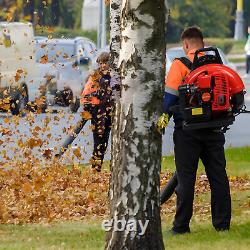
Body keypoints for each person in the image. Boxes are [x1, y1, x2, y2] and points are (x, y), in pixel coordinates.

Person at [160, 26, 232, 234]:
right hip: (214, 129)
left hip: (187, 131)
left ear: (185, 44)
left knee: (185, 179)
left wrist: (163, 119)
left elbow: (170, 98)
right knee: (218, 177)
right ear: (202, 42)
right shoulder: (217, 63)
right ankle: (222, 224)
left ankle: (181, 226)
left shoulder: (180, 64)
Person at [81, 52, 113, 172]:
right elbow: (86, 93)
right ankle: (95, 167)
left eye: (105, 63)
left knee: (105, 139)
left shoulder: (114, 77)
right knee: (98, 140)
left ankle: (98, 165)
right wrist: (87, 105)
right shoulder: (95, 76)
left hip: (109, 112)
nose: (103, 65)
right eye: (100, 63)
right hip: (97, 111)